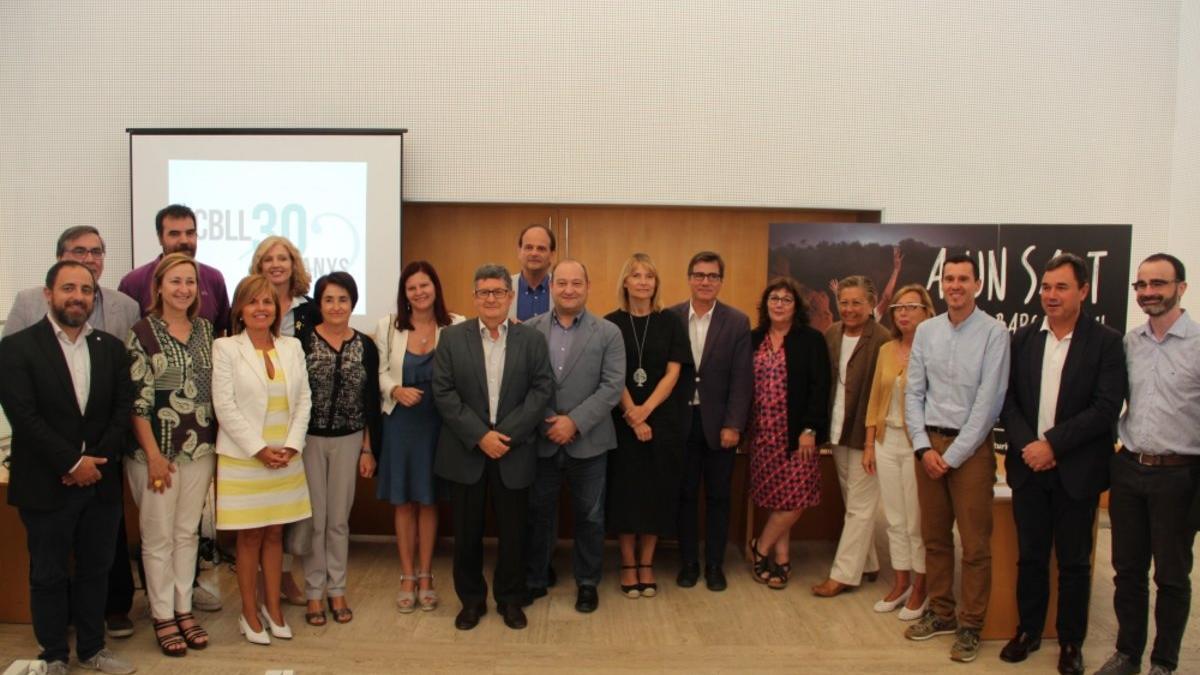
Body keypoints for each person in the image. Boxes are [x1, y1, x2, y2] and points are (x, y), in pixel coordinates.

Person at [3, 225, 142, 638]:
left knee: (96, 570)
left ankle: (92, 648)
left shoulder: (109, 347)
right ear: (49, 294)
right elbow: (22, 413)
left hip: (98, 482)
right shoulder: (18, 347)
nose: (77, 297)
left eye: (84, 290)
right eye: (68, 288)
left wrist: (93, 461)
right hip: (46, 480)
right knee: (47, 573)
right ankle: (52, 653)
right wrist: (70, 462)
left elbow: (121, 410)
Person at [998, 253, 1126, 675]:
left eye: (1061, 287)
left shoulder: (1106, 341)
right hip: (1029, 469)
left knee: (1074, 563)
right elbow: (1010, 401)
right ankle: (1028, 632)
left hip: (1077, 472)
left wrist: (1051, 445)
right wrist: (1029, 446)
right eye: (1046, 287)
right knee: (1031, 557)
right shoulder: (1024, 339)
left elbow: (1105, 407)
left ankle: (1071, 642)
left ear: (1083, 291)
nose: (1050, 295)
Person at [432, 264, 554, 631]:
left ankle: (510, 599)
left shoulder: (531, 340)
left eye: (498, 292)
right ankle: (471, 601)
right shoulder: (452, 338)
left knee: (514, 534)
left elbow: (541, 390)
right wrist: (480, 435)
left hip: (513, 452)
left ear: (510, 296)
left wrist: (506, 436)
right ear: (474, 297)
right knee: (466, 535)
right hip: (467, 451)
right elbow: (444, 392)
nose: (490, 299)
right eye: (483, 292)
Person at [1095, 253, 1199, 675]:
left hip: (1180, 475)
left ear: (1181, 288)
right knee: (1128, 572)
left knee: (1172, 577)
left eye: (1158, 283)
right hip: (1131, 470)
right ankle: (1127, 654)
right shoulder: (1128, 344)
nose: (1149, 292)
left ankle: (1164, 662)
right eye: (1141, 285)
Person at [904, 253, 1010, 663]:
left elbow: (989, 401)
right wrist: (922, 447)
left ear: (977, 285)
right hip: (929, 444)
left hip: (971, 449)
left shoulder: (993, 333)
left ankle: (970, 625)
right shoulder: (927, 331)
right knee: (934, 538)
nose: (955, 286)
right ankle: (942, 612)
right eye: (949, 279)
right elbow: (913, 392)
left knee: (975, 544)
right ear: (941, 284)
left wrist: (954, 455)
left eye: (964, 279)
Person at [125, 253, 218, 657]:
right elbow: (137, 403)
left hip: (199, 450)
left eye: (190, 282)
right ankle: (162, 614)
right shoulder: (141, 333)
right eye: (176, 281)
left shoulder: (205, 330)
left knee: (187, 533)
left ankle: (184, 608)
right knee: (158, 536)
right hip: (154, 455)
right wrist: (153, 453)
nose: (184, 289)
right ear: (159, 286)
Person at [212, 274, 312, 646]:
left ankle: (274, 608)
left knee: (275, 534)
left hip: (286, 456)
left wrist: (291, 445)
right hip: (244, 457)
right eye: (253, 302)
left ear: (278, 308)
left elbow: (304, 401)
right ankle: (249, 613)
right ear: (240, 307)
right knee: (250, 536)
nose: (260, 309)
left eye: (267, 302)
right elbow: (225, 405)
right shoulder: (226, 348)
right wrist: (258, 448)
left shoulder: (292, 348)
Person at [523, 259, 625, 613]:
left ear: (587, 286)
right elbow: (522, 386)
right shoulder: (530, 330)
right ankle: (536, 577)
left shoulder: (608, 332)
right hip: (542, 436)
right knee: (539, 513)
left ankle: (587, 582)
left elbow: (612, 388)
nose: (569, 289)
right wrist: (549, 421)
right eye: (562, 283)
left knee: (591, 516)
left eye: (576, 283)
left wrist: (574, 422)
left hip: (591, 440)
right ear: (551, 287)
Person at [375, 261, 464, 614]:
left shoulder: (455, 324)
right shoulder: (387, 327)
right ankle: (407, 577)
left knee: (430, 500)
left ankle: (427, 575)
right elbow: (379, 372)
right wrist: (395, 389)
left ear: (435, 288)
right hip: (401, 423)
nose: (419, 292)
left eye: (425, 285)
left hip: (439, 424)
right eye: (412, 288)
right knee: (404, 501)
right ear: (404, 293)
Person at [297, 272, 381, 626]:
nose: (336, 306)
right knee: (315, 519)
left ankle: (338, 589)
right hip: (308, 441)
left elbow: (370, 401)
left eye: (343, 300)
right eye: (329, 299)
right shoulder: (300, 341)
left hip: (349, 441)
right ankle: (314, 592)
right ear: (319, 303)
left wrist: (368, 449)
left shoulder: (365, 345)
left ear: (353, 304)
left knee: (339, 521)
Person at [604, 253, 690, 599]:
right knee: (626, 494)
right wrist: (631, 413)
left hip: (662, 421)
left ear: (656, 283)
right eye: (636, 275)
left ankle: (647, 563)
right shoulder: (610, 324)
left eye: (649, 276)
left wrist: (646, 410)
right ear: (625, 282)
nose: (643, 282)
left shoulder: (669, 322)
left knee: (657, 492)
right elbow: (612, 374)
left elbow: (674, 373)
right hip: (622, 424)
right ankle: (627, 563)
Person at [670, 251, 753, 592]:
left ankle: (715, 565)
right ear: (689, 278)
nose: (706, 282)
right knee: (684, 496)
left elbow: (741, 378)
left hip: (720, 425)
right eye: (699, 275)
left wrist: (734, 424)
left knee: (719, 497)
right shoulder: (671, 316)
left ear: (721, 281)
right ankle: (689, 562)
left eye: (713, 276)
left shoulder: (736, 321)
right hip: (681, 422)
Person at [746, 278, 831, 590]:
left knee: (796, 498)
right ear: (766, 304)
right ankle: (782, 559)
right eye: (774, 298)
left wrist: (810, 429)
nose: (779, 304)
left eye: (786, 299)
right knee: (777, 498)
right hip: (762, 434)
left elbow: (820, 388)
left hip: (797, 435)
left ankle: (760, 547)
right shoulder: (753, 339)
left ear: (796, 306)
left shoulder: (810, 340)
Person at [812, 276, 890, 597]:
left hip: (866, 434)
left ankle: (843, 574)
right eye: (844, 302)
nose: (850, 309)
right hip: (837, 430)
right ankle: (868, 562)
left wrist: (872, 441)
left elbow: (882, 394)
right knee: (853, 500)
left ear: (871, 305)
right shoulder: (832, 333)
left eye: (857, 302)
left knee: (859, 505)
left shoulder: (883, 339)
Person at [862, 284, 935, 620]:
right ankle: (901, 580)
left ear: (927, 311)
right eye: (899, 308)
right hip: (885, 441)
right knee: (893, 517)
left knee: (916, 520)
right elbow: (875, 398)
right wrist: (869, 442)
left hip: (917, 444)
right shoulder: (886, 349)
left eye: (912, 307)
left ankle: (921, 585)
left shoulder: (934, 348)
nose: (903, 313)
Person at [119, 203, 230, 337]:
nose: (184, 240)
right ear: (160, 238)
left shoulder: (214, 278)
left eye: (190, 233)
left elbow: (220, 331)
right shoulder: (133, 282)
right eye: (174, 234)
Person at [250, 235, 315, 337]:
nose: (275, 265)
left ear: (293, 264)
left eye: (282, 259)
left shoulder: (313, 308)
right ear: (259, 267)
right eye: (268, 260)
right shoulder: (246, 307)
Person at [508, 223, 555, 322]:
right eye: (529, 247)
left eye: (541, 248)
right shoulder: (503, 287)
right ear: (519, 251)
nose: (534, 253)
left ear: (551, 254)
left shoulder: (561, 288)